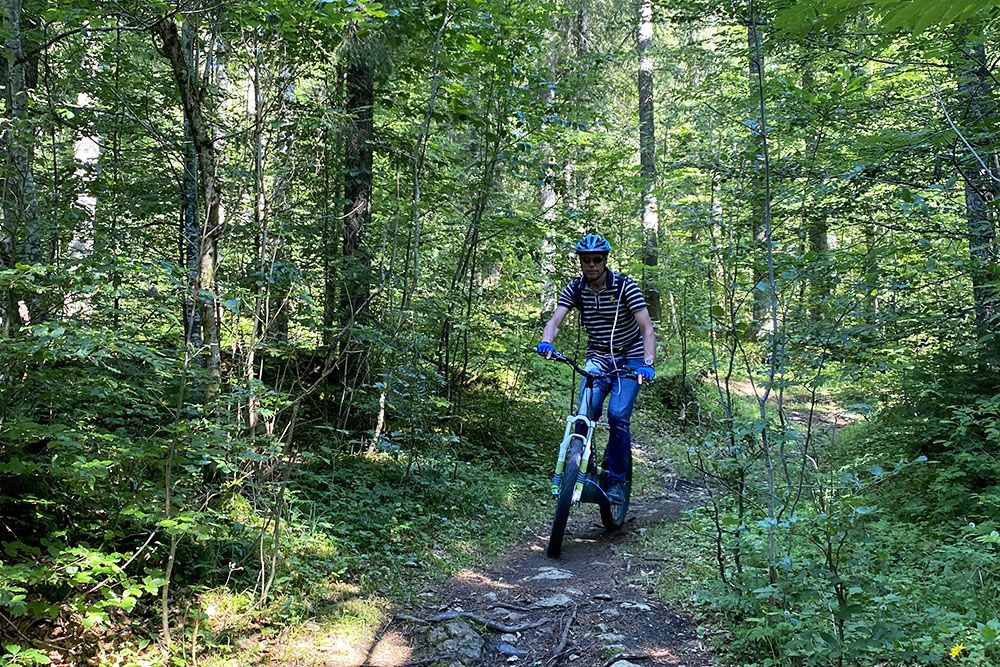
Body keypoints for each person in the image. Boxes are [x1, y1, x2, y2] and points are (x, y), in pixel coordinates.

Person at [536, 233, 656, 504]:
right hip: (599, 357)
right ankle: (581, 469)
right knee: (584, 413)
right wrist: (546, 341)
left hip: (632, 358)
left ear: (605, 261)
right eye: (585, 259)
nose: (591, 264)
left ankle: (616, 481)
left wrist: (647, 363)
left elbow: (647, 328)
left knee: (617, 416)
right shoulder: (576, 288)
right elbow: (555, 321)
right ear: (580, 261)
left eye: (596, 259)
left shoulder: (626, 287)